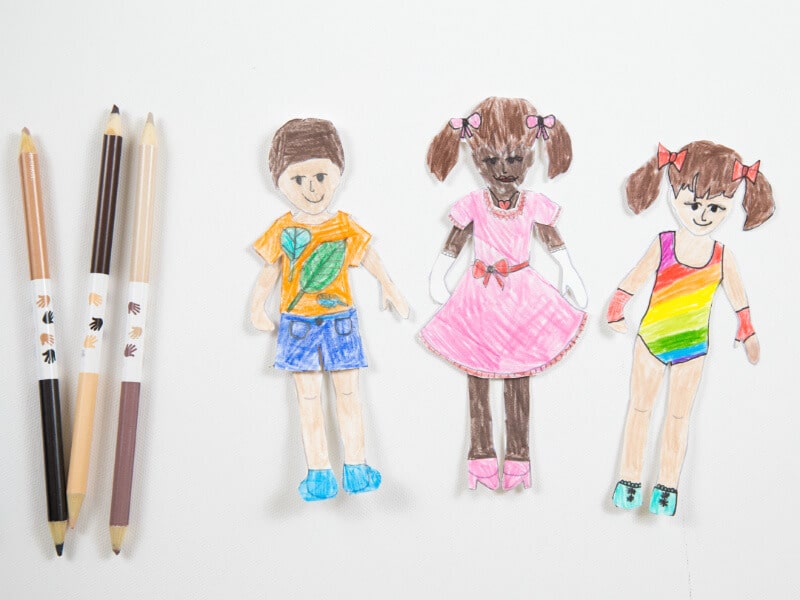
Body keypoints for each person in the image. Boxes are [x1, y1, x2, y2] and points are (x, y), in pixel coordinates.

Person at [420, 97, 587, 491]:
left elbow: (551, 239)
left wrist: (569, 269)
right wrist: (438, 274)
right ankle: (480, 454)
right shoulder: (473, 204)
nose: (504, 170)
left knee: (519, 373)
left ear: (529, 157)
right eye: (491, 161)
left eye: (513, 159)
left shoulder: (533, 204)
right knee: (476, 372)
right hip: (479, 294)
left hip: (522, 294)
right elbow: (456, 241)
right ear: (477, 160)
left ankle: (518, 457)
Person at [608, 141, 774, 515]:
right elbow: (637, 277)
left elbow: (739, 299)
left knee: (679, 417)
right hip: (651, 341)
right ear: (675, 194)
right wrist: (617, 306)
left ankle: (667, 487)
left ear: (730, 206)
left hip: (693, 349)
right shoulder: (664, 243)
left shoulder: (722, 256)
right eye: (693, 203)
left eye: (715, 208)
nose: (702, 215)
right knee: (640, 410)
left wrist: (747, 330)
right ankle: (629, 479)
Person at [250, 118, 409, 501]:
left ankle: (356, 465)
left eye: (321, 176)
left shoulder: (343, 225)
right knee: (308, 400)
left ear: (338, 174)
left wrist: (388, 285)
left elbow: (367, 255)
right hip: (297, 323)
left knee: (348, 395)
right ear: (280, 183)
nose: (312, 189)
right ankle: (319, 471)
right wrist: (257, 306)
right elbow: (270, 269)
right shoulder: (283, 229)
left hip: (339, 321)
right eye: (299, 179)